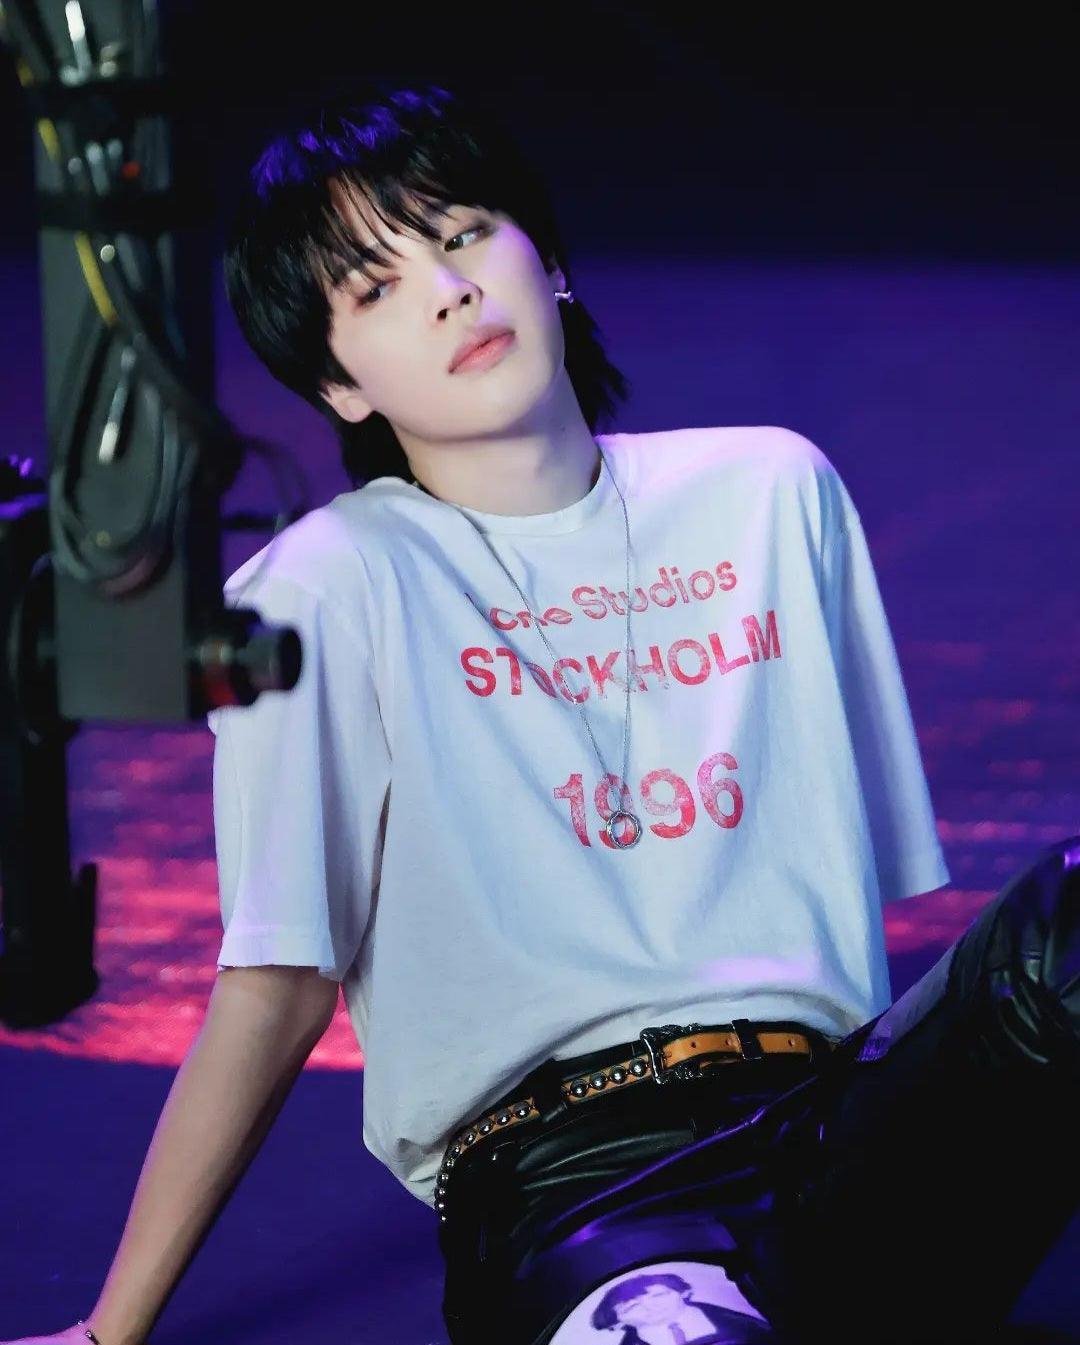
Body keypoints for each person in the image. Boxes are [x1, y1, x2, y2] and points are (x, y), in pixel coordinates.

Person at [7, 81, 1078, 1345]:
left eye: (463, 234)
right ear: (339, 386)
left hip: (850, 1125)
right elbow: (275, 985)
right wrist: (109, 1330)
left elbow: (851, 899)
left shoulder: (771, 491)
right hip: (577, 1183)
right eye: (376, 287)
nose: (450, 291)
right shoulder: (324, 589)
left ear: (549, 260)